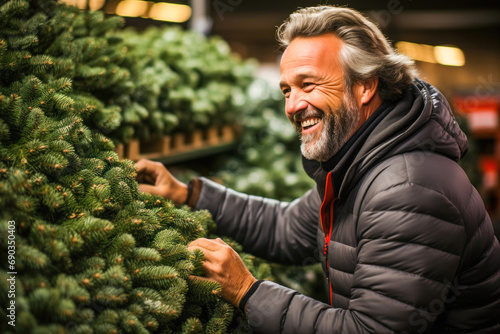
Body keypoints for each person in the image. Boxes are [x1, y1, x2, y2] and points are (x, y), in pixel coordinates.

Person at [135, 5, 500, 333]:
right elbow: (287, 229)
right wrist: (188, 193)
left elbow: (370, 330)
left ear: (365, 87)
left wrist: (247, 291)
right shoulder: (358, 163)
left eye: (308, 84)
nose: (293, 105)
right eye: (286, 91)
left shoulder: (406, 188)